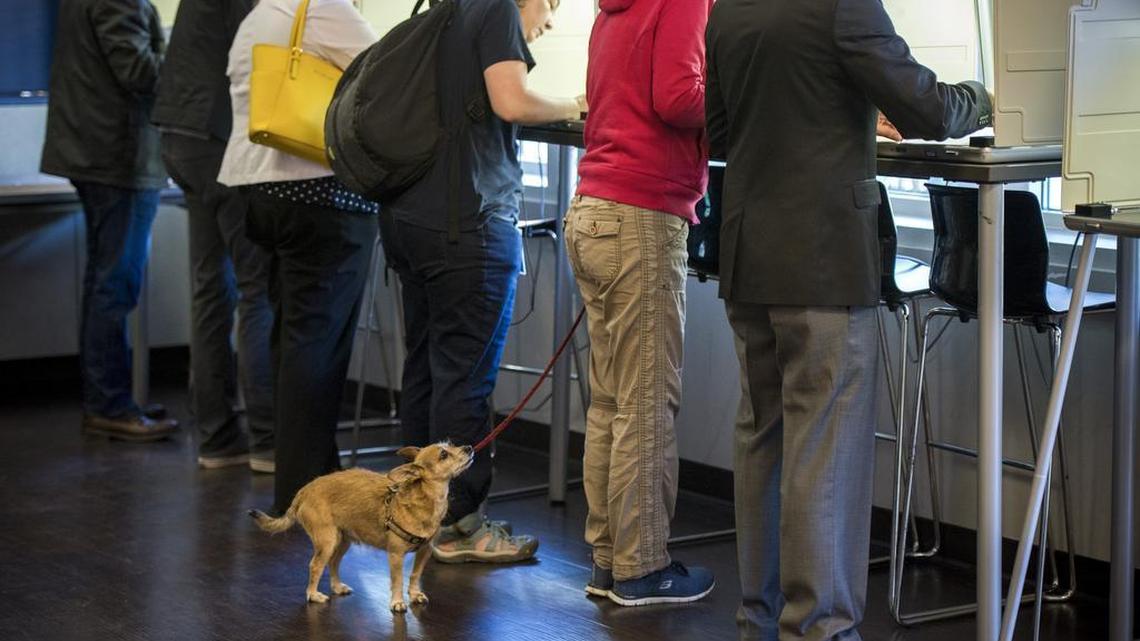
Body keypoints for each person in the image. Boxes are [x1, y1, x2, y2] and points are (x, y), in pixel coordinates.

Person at [705, 0, 993, 638]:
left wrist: (835, 106)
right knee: (825, 444)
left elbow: (720, 132)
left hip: (750, 249)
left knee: (762, 437)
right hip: (823, 254)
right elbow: (933, 109)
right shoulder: (843, 4)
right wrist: (983, 95)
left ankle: (759, 617)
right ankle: (821, 627)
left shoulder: (727, 8)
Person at [379, 0, 584, 563]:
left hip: (409, 221)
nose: (552, 18)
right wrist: (578, 104)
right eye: (553, 2)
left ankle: (416, 517)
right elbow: (511, 101)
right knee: (463, 381)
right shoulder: (495, 9)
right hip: (465, 228)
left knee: (424, 367)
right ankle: (459, 526)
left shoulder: (446, 11)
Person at [565, 0, 715, 606]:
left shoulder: (613, 7)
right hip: (642, 215)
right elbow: (679, 96)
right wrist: (743, 103)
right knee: (647, 402)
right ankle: (640, 568)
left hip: (595, 209)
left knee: (612, 402)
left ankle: (608, 560)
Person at [217, 0, 377, 515]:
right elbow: (392, 75)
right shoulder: (321, 8)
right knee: (317, 345)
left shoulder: (260, 14)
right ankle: (308, 491)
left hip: (256, 189)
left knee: (295, 337)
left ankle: (307, 479)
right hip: (315, 191)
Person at [41, 0, 179, 442]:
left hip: (97, 151)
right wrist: (189, 56)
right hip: (116, 156)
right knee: (115, 284)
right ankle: (109, 405)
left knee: (106, 282)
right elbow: (138, 71)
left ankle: (110, 399)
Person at [153, 0, 276, 472]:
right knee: (257, 291)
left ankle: (217, 437)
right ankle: (267, 440)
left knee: (211, 289)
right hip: (220, 137)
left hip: (181, 137)